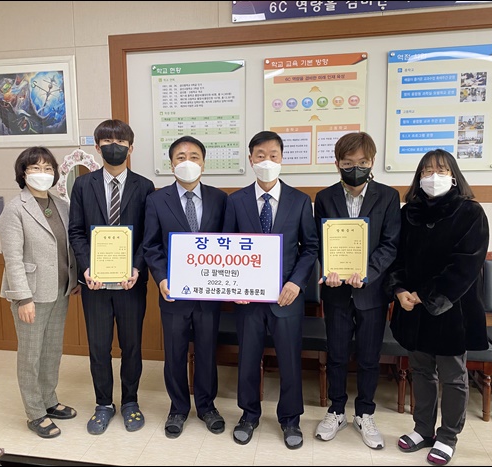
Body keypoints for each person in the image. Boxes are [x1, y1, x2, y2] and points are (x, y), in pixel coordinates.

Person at [384, 149, 489, 466]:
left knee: (453, 376)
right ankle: (423, 429)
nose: (433, 177)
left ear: (454, 176)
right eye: (427, 171)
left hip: (452, 310)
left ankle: (448, 436)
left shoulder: (470, 213)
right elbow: (396, 257)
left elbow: (466, 266)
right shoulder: (408, 213)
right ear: (419, 177)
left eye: (441, 171)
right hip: (412, 310)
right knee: (421, 371)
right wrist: (400, 290)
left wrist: (425, 295)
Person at [223, 130, 318, 449]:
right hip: (247, 299)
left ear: (282, 159)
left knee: (289, 360)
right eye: (260, 155)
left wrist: (296, 282)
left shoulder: (300, 200)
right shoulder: (235, 201)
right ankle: (249, 414)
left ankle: (290, 419)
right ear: (250, 159)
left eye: (273, 155)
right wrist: (234, 285)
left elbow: (310, 247)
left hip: (286, 296)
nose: (267, 161)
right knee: (248, 358)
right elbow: (227, 247)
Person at [314, 131, 401, 450]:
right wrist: (328, 270)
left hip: (372, 292)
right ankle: (336, 410)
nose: (356, 168)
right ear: (337, 163)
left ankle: (365, 413)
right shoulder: (324, 197)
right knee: (336, 354)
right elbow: (320, 241)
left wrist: (367, 274)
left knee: (368, 357)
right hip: (336, 291)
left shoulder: (388, 196)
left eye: (363, 162)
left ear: (372, 162)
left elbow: (391, 244)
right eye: (348, 162)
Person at [68, 119, 155, 434]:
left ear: (131, 148)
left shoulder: (145, 186)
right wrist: (85, 267)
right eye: (107, 142)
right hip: (95, 283)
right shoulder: (82, 185)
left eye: (120, 142)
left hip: (132, 282)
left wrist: (137, 267)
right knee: (98, 347)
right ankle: (103, 404)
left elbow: (149, 235)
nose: (114, 147)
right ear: (97, 147)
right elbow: (76, 232)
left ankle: (130, 401)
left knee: (131, 346)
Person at [143, 135, 228, 439]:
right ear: (171, 165)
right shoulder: (156, 200)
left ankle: (206, 406)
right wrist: (161, 278)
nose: (187, 162)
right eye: (181, 157)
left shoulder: (221, 199)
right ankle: (178, 408)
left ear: (203, 163)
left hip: (209, 293)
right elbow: (151, 246)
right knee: (175, 353)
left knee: (207, 351)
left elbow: (229, 244)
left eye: (194, 157)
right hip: (173, 293)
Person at [0, 146, 80, 439]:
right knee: (31, 354)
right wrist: (23, 298)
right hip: (31, 295)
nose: (42, 173)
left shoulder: (61, 205)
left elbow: (67, 248)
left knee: (52, 350)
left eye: (48, 168)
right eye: (35, 168)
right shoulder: (15, 209)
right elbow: (12, 258)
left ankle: (49, 400)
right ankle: (35, 412)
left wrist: (74, 279)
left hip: (60, 290)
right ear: (23, 173)